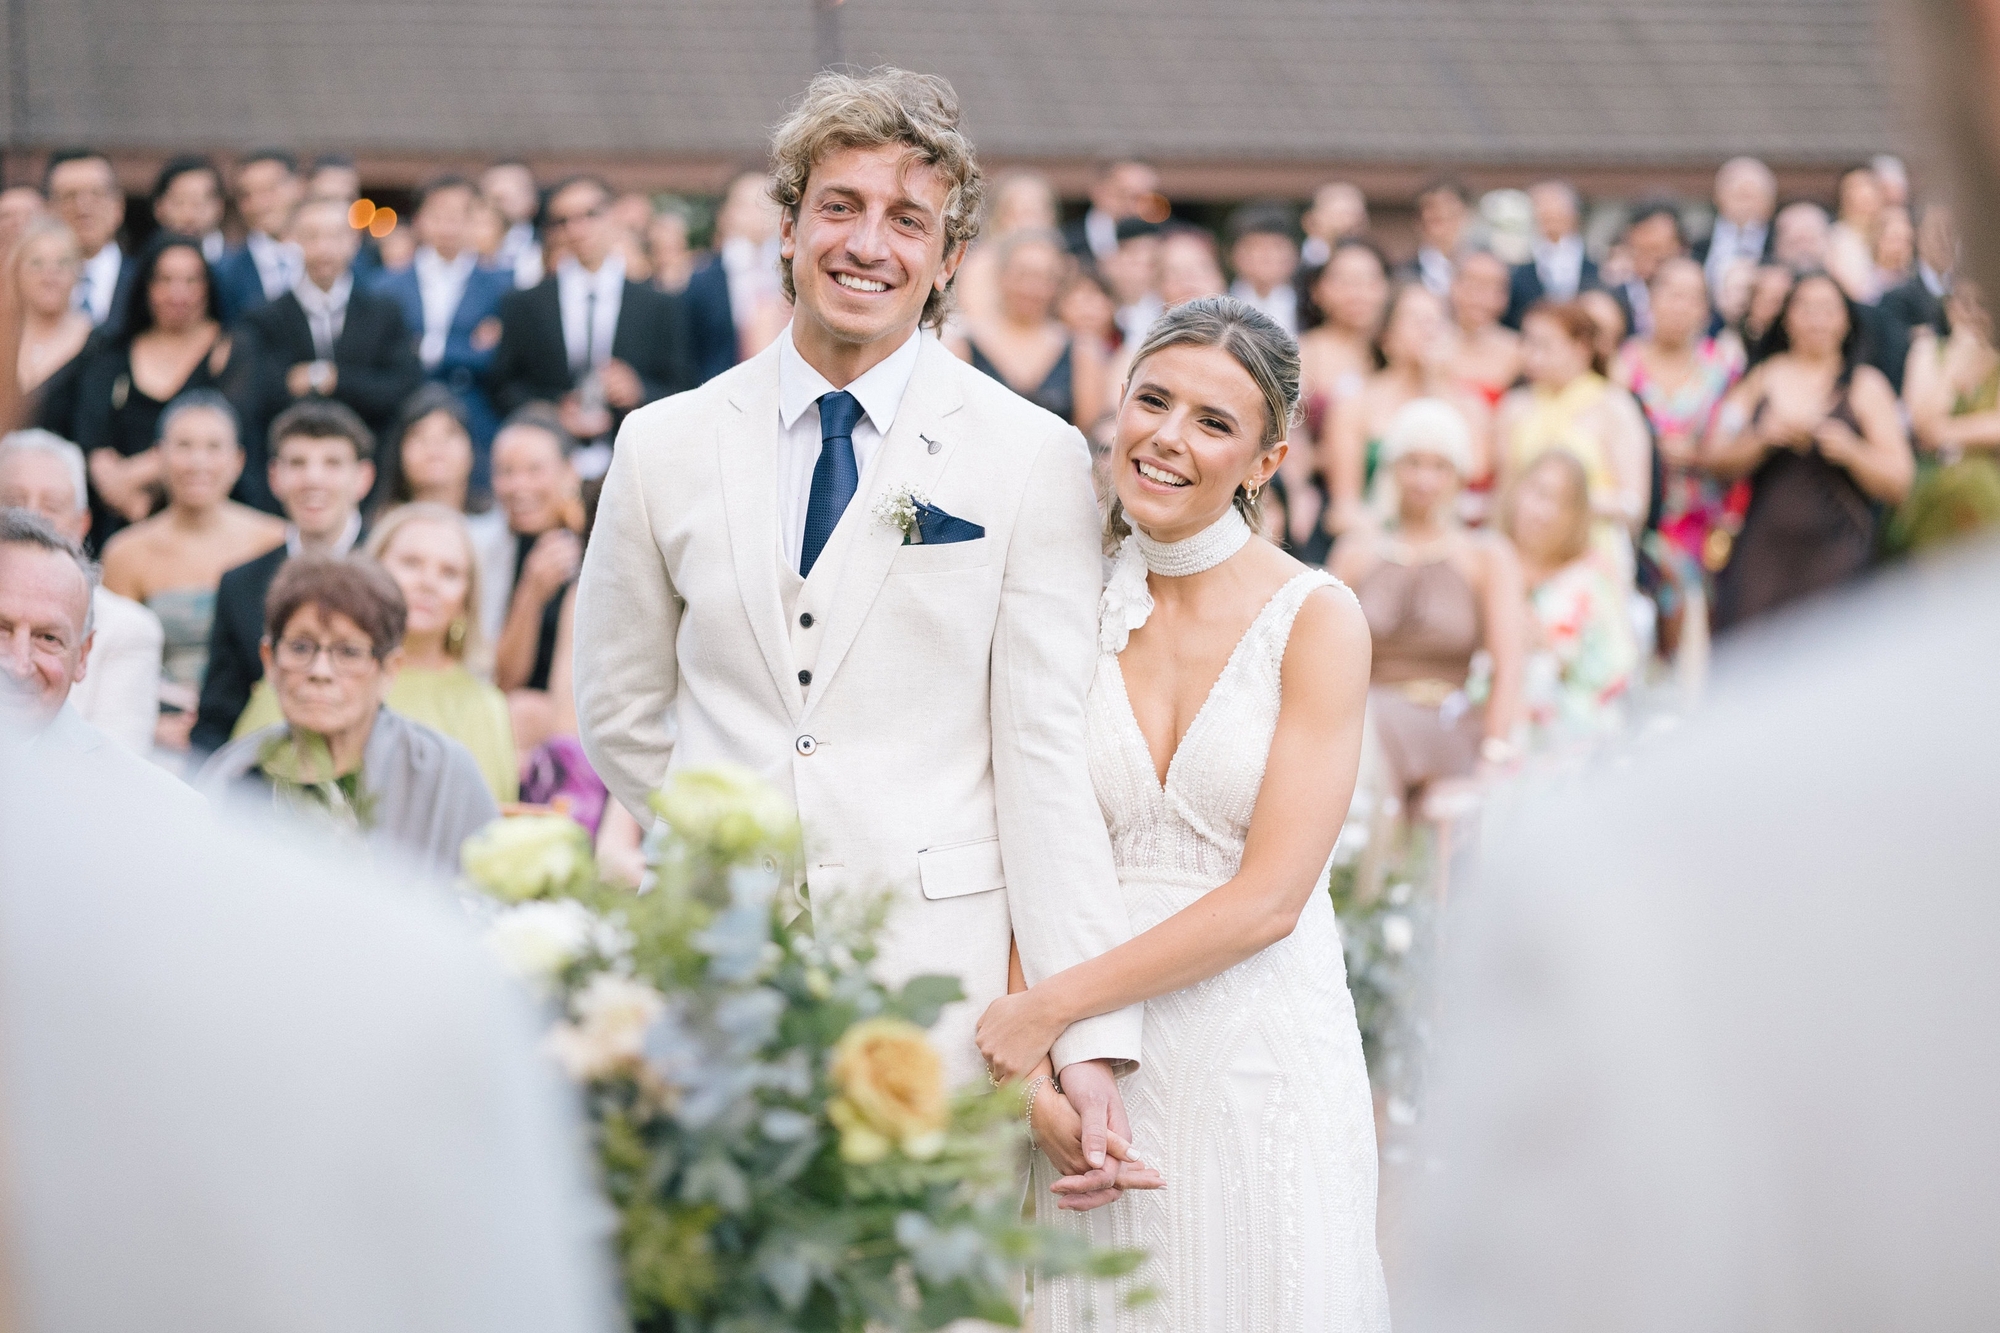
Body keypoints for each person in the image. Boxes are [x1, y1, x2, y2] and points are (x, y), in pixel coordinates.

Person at [576, 67, 1144, 1177]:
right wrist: (724, 846)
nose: (866, 244)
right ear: (786, 227)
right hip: (712, 977)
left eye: (906, 220)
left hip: (934, 988)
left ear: (947, 260)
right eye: (838, 206)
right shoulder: (661, 444)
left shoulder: (1027, 456)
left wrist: (1088, 1040)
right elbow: (620, 705)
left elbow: (1041, 760)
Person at [974, 297, 1387, 1329]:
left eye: (1213, 422)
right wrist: (1042, 1075)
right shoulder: (1055, 598)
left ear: (1265, 459)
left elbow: (1268, 901)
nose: (1166, 436)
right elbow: (1028, 830)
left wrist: (1047, 1010)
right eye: (1151, 401)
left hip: (1258, 1050)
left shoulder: (1316, 617)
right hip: (1088, 1065)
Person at [197, 556, 498, 877]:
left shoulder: (442, 771)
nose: (320, 671)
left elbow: (491, 899)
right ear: (269, 661)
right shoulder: (234, 772)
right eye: (300, 648)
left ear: (388, 671)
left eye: (348, 652)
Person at [234, 504, 518, 801]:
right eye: (411, 563)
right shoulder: (308, 668)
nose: (428, 583)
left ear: (466, 598)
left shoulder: (483, 706)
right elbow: (241, 786)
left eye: (449, 572)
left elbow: (486, 826)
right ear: (373, 570)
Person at [1331, 398, 1526, 809]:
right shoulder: (1356, 553)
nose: (1424, 479)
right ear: (1391, 468)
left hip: (1448, 722)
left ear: (1459, 474)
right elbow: (1322, 656)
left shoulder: (1486, 557)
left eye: (1440, 466)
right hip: (1363, 724)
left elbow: (1509, 664)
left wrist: (1495, 750)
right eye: (1412, 463)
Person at [1706, 271, 1914, 630]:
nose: (1817, 319)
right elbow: (1712, 457)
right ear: (1786, 318)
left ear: (1847, 321)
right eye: (1805, 308)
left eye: (1828, 309)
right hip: (1763, 554)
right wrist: (1760, 440)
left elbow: (1900, 481)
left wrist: (1850, 450)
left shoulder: (1866, 386)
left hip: (1838, 556)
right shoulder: (1760, 379)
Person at [97, 392, 284, 753]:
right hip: (160, 734)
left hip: (261, 730)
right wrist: (153, 726)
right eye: (184, 446)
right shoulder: (126, 552)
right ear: (159, 456)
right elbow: (113, 659)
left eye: (214, 447)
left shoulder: (275, 541)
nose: (199, 462)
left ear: (238, 460)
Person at [192, 399, 374, 753]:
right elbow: (217, 717)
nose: (313, 479)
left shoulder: (394, 569)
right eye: (298, 463)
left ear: (363, 478)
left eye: (332, 463)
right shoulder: (239, 585)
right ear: (275, 477)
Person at [487, 174, 694, 476]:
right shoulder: (525, 304)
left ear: (613, 217)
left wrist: (638, 390)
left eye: (589, 215)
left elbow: (685, 387)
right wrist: (554, 409)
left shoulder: (658, 305)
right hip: (553, 462)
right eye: (563, 220)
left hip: (636, 461)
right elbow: (504, 387)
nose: (577, 229)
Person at [0, 507, 200, 807]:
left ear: (82, 656)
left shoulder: (156, 811)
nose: (18, 664)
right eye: (1, 629)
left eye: (48, 638)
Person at [237, 196, 423, 509]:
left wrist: (329, 379)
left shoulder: (384, 313)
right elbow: (256, 393)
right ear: (293, 240)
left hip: (370, 473)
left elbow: (401, 387)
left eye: (335, 236)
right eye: (312, 236)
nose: (324, 248)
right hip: (288, 478)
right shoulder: (264, 316)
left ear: (353, 240)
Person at [71, 233, 245, 546]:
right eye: (165, 280)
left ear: (208, 286)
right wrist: (121, 494)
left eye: (191, 281)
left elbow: (233, 430)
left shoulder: (231, 350)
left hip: (208, 521)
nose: (178, 293)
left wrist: (132, 477)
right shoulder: (112, 350)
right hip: (113, 520)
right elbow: (91, 434)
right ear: (146, 286)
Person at [0, 430, 164, 753]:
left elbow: (114, 767)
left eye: (52, 505)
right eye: (14, 502)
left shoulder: (129, 629)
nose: (32, 515)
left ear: (82, 524)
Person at [1496, 299, 1653, 576]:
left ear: (1580, 349)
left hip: (1592, 554)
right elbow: (1504, 490)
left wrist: (1567, 504)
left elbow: (1634, 503)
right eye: (1528, 343)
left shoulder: (1613, 406)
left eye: (1544, 346)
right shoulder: (1515, 407)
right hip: (1524, 552)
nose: (1532, 356)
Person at [1612, 255, 1746, 579]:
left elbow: (1739, 439)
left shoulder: (1724, 367)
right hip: (1642, 515)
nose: (1679, 306)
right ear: (1651, 298)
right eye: (1671, 293)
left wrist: (1700, 456)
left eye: (1691, 297)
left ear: (1705, 308)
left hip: (1705, 522)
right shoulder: (1624, 365)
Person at [1499, 449, 1640, 744]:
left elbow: (1616, 668)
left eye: (1561, 504)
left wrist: (1550, 651)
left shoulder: (1589, 578)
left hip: (1563, 732)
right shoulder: (1487, 562)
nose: (1543, 512)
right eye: (1538, 493)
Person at [1327, 282, 1491, 534]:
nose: (1429, 330)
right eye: (1416, 320)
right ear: (1387, 336)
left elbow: (1475, 472)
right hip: (1375, 535)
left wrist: (1435, 382)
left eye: (1436, 321)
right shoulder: (1356, 406)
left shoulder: (1469, 405)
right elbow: (1344, 508)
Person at [373, 175, 514, 464]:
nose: (448, 225)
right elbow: (385, 356)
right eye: (438, 214)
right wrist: (465, 347)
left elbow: (501, 359)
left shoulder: (502, 287)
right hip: (404, 414)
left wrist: (421, 347)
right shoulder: (387, 286)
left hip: (477, 420)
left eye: (460, 215)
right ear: (420, 219)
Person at [373, 383, 513, 637]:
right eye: (420, 436)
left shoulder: (496, 527)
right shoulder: (382, 527)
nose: (434, 448)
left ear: (471, 449)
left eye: (449, 435)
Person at [489, 407, 583, 758]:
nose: (519, 486)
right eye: (506, 472)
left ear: (569, 472)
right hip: (511, 714)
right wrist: (531, 592)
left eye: (534, 470)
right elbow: (504, 681)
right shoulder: (490, 549)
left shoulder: (600, 544)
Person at [948, 228, 1105, 431]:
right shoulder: (965, 344)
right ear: (1001, 276)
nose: (1032, 287)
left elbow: (1086, 429)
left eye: (1045, 277)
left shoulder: (1081, 350)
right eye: (1023, 274)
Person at [1293, 238, 1391, 558]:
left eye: (1369, 281)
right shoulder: (1302, 354)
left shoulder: (1395, 351)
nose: (1358, 293)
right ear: (1319, 291)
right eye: (1345, 282)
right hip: (1319, 499)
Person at [1891, 279, 2000, 552]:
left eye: (1982, 304)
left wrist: (1940, 432)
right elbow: (1919, 420)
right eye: (1965, 303)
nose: (1974, 312)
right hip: (1930, 488)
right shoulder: (1927, 350)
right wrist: (1952, 369)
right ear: (1951, 309)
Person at [954, 169, 1060, 328]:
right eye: (1019, 213)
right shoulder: (982, 266)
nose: (1029, 224)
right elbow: (977, 324)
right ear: (999, 219)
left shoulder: (1062, 262)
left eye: (1037, 213)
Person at [45, 148, 135, 331]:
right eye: (69, 196)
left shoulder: (145, 281)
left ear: (118, 206)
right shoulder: (30, 287)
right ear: (49, 210)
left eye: (96, 194)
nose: (83, 208)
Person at [15, 217, 94, 420]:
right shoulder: (5, 335)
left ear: (78, 272)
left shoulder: (98, 344)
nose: (49, 277)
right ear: (16, 271)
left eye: (62, 264)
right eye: (36, 263)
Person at [212, 149, 304, 325]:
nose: (258, 204)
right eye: (247, 195)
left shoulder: (339, 261)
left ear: (298, 186)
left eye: (269, 189)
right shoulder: (225, 273)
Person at [1505, 181, 1600, 328]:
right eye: (1542, 208)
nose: (1549, 214)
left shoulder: (1599, 268)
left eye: (1557, 208)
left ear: (1574, 214)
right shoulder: (1518, 271)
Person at [1449, 247, 1525, 408]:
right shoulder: (1431, 346)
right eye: (1474, 284)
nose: (1481, 297)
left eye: (1494, 287)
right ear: (1454, 286)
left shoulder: (1520, 352)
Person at [1695, 156, 1778, 297]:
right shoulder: (1699, 244)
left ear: (1769, 203)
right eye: (1738, 195)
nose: (1745, 205)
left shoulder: (1778, 243)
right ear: (1718, 197)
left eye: (1751, 196)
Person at [1604, 200, 1687, 339]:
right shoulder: (1612, 296)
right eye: (1641, 251)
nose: (1649, 261)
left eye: (1658, 251)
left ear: (1679, 248)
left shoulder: (1695, 297)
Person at [1879, 201, 1955, 339]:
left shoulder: (1968, 289)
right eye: (1937, 231)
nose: (1944, 239)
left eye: (1950, 231)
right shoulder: (1897, 294)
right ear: (1918, 235)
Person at [1224, 201, 1301, 336]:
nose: (1267, 256)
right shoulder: (1216, 302)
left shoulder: (1312, 306)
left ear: (1295, 253)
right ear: (1231, 254)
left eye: (1277, 246)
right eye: (1254, 247)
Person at [1063, 158, 1160, 263]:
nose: (1135, 208)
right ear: (1099, 192)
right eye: (1127, 195)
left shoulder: (1165, 239)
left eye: (1146, 199)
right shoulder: (1065, 244)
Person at [150, 155, 228, 263]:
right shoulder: (141, 268)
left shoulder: (238, 268)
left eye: (199, 204)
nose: (189, 215)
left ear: (220, 206)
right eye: (179, 203)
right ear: (158, 207)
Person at [1402, 176, 1473, 296]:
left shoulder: (1481, 269)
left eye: (1452, 217)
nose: (1445, 229)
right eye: (1436, 220)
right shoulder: (1404, 276)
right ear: (1419, 223)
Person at [1825, 163, 1886, 302]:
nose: (1864, 193)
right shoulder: (1837, 238)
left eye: (1870, 185)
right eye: (1854, 187)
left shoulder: (1895, 231)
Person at [480, 160, 544, 290]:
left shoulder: (548, 249)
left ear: (534, 199)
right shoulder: (465, 252)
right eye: (494, 184)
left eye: (516, 187)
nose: (503, 193)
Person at [1299, 179, 1369, 267]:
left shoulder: (1378, 264)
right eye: (1341, 215)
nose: (1349, 223)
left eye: (1357, 216)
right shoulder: (1290, 266)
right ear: (1311, 222)